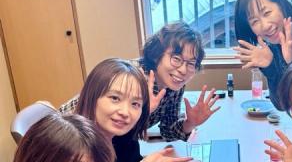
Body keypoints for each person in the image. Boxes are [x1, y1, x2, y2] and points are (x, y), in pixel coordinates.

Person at [60, 21, 220, 141]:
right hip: (71, 137)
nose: (183, 70)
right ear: (157, 54)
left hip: (112, 144)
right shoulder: (134, 76)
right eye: (176, 59)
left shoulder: (174, 84)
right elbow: (102, 123)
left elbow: (168, 130)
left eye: (191, 64)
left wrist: (190, 123)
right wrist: (142, 110)